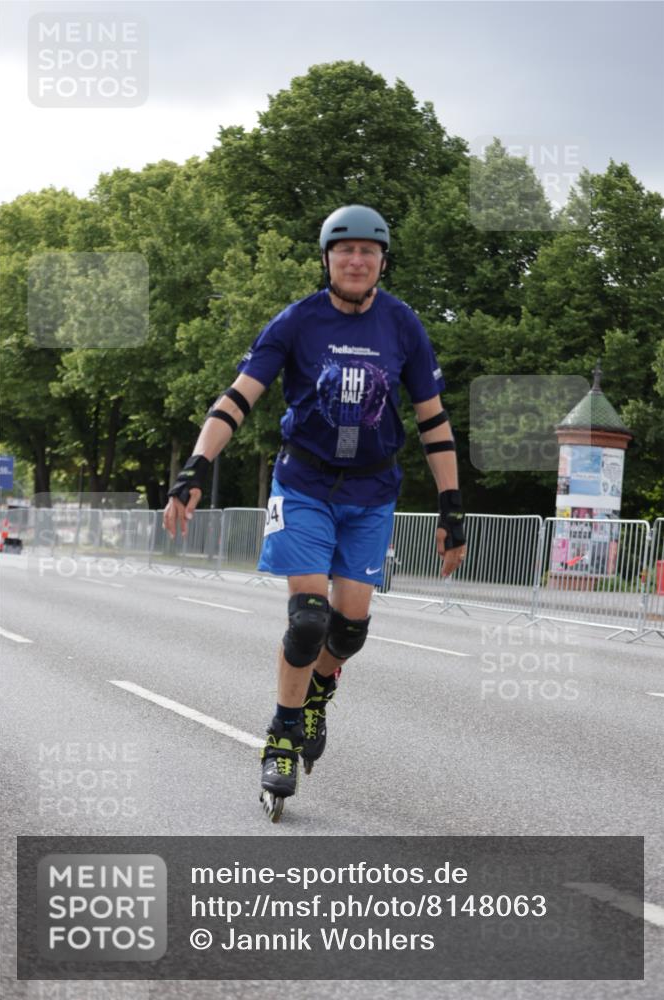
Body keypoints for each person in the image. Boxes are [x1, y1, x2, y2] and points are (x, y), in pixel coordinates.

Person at [163, 205, 467, 821]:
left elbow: (433, 419)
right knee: (308, 621)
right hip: (302, 483)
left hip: (372, 492)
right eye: (345, 250)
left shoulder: (402, 324)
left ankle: (318, 693)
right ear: (327, 258)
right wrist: (196, 467)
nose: (357, 261)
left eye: (369, 252)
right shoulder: (298, 321)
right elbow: (237, 398)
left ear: (383, 261)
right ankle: (280, 735)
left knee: (348, 630)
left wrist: (451, 504)